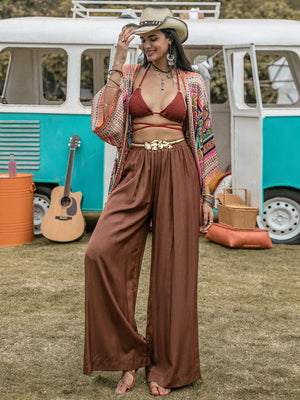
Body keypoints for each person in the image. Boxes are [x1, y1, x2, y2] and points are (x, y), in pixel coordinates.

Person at [84, 5, 220, 396]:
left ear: (170, 40)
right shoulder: (127, 75)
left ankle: (165, 367)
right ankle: (128, 357)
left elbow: (204, 138)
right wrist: (117, 60)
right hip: (136, 168)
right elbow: (104, 124)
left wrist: (207, 194)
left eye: (153, 38)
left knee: (174, 270)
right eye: (143, 39)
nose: (147, 44)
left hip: (179, 167)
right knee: (100, 252)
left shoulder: (192, 82)